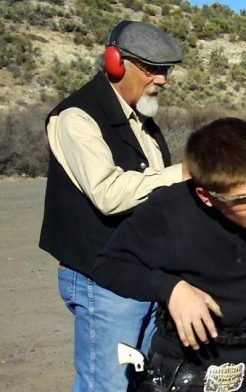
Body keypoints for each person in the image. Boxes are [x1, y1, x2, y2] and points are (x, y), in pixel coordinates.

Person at [91, 117, 246, 392]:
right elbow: (108, 265)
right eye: (244, 200)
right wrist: (172, 289)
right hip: (184, 367)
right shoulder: (170, 210)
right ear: (207, 196)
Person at [39, 20, 187, 391]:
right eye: (152, 69)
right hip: (101, 277)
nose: (163, 80)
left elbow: (153, 191)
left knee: (143, 382)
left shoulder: (142, 118)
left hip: (143, 274)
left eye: (165, 70)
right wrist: (183, 173)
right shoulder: (77, 117)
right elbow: (109, 193)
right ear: (116, 63)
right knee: (105, 385)